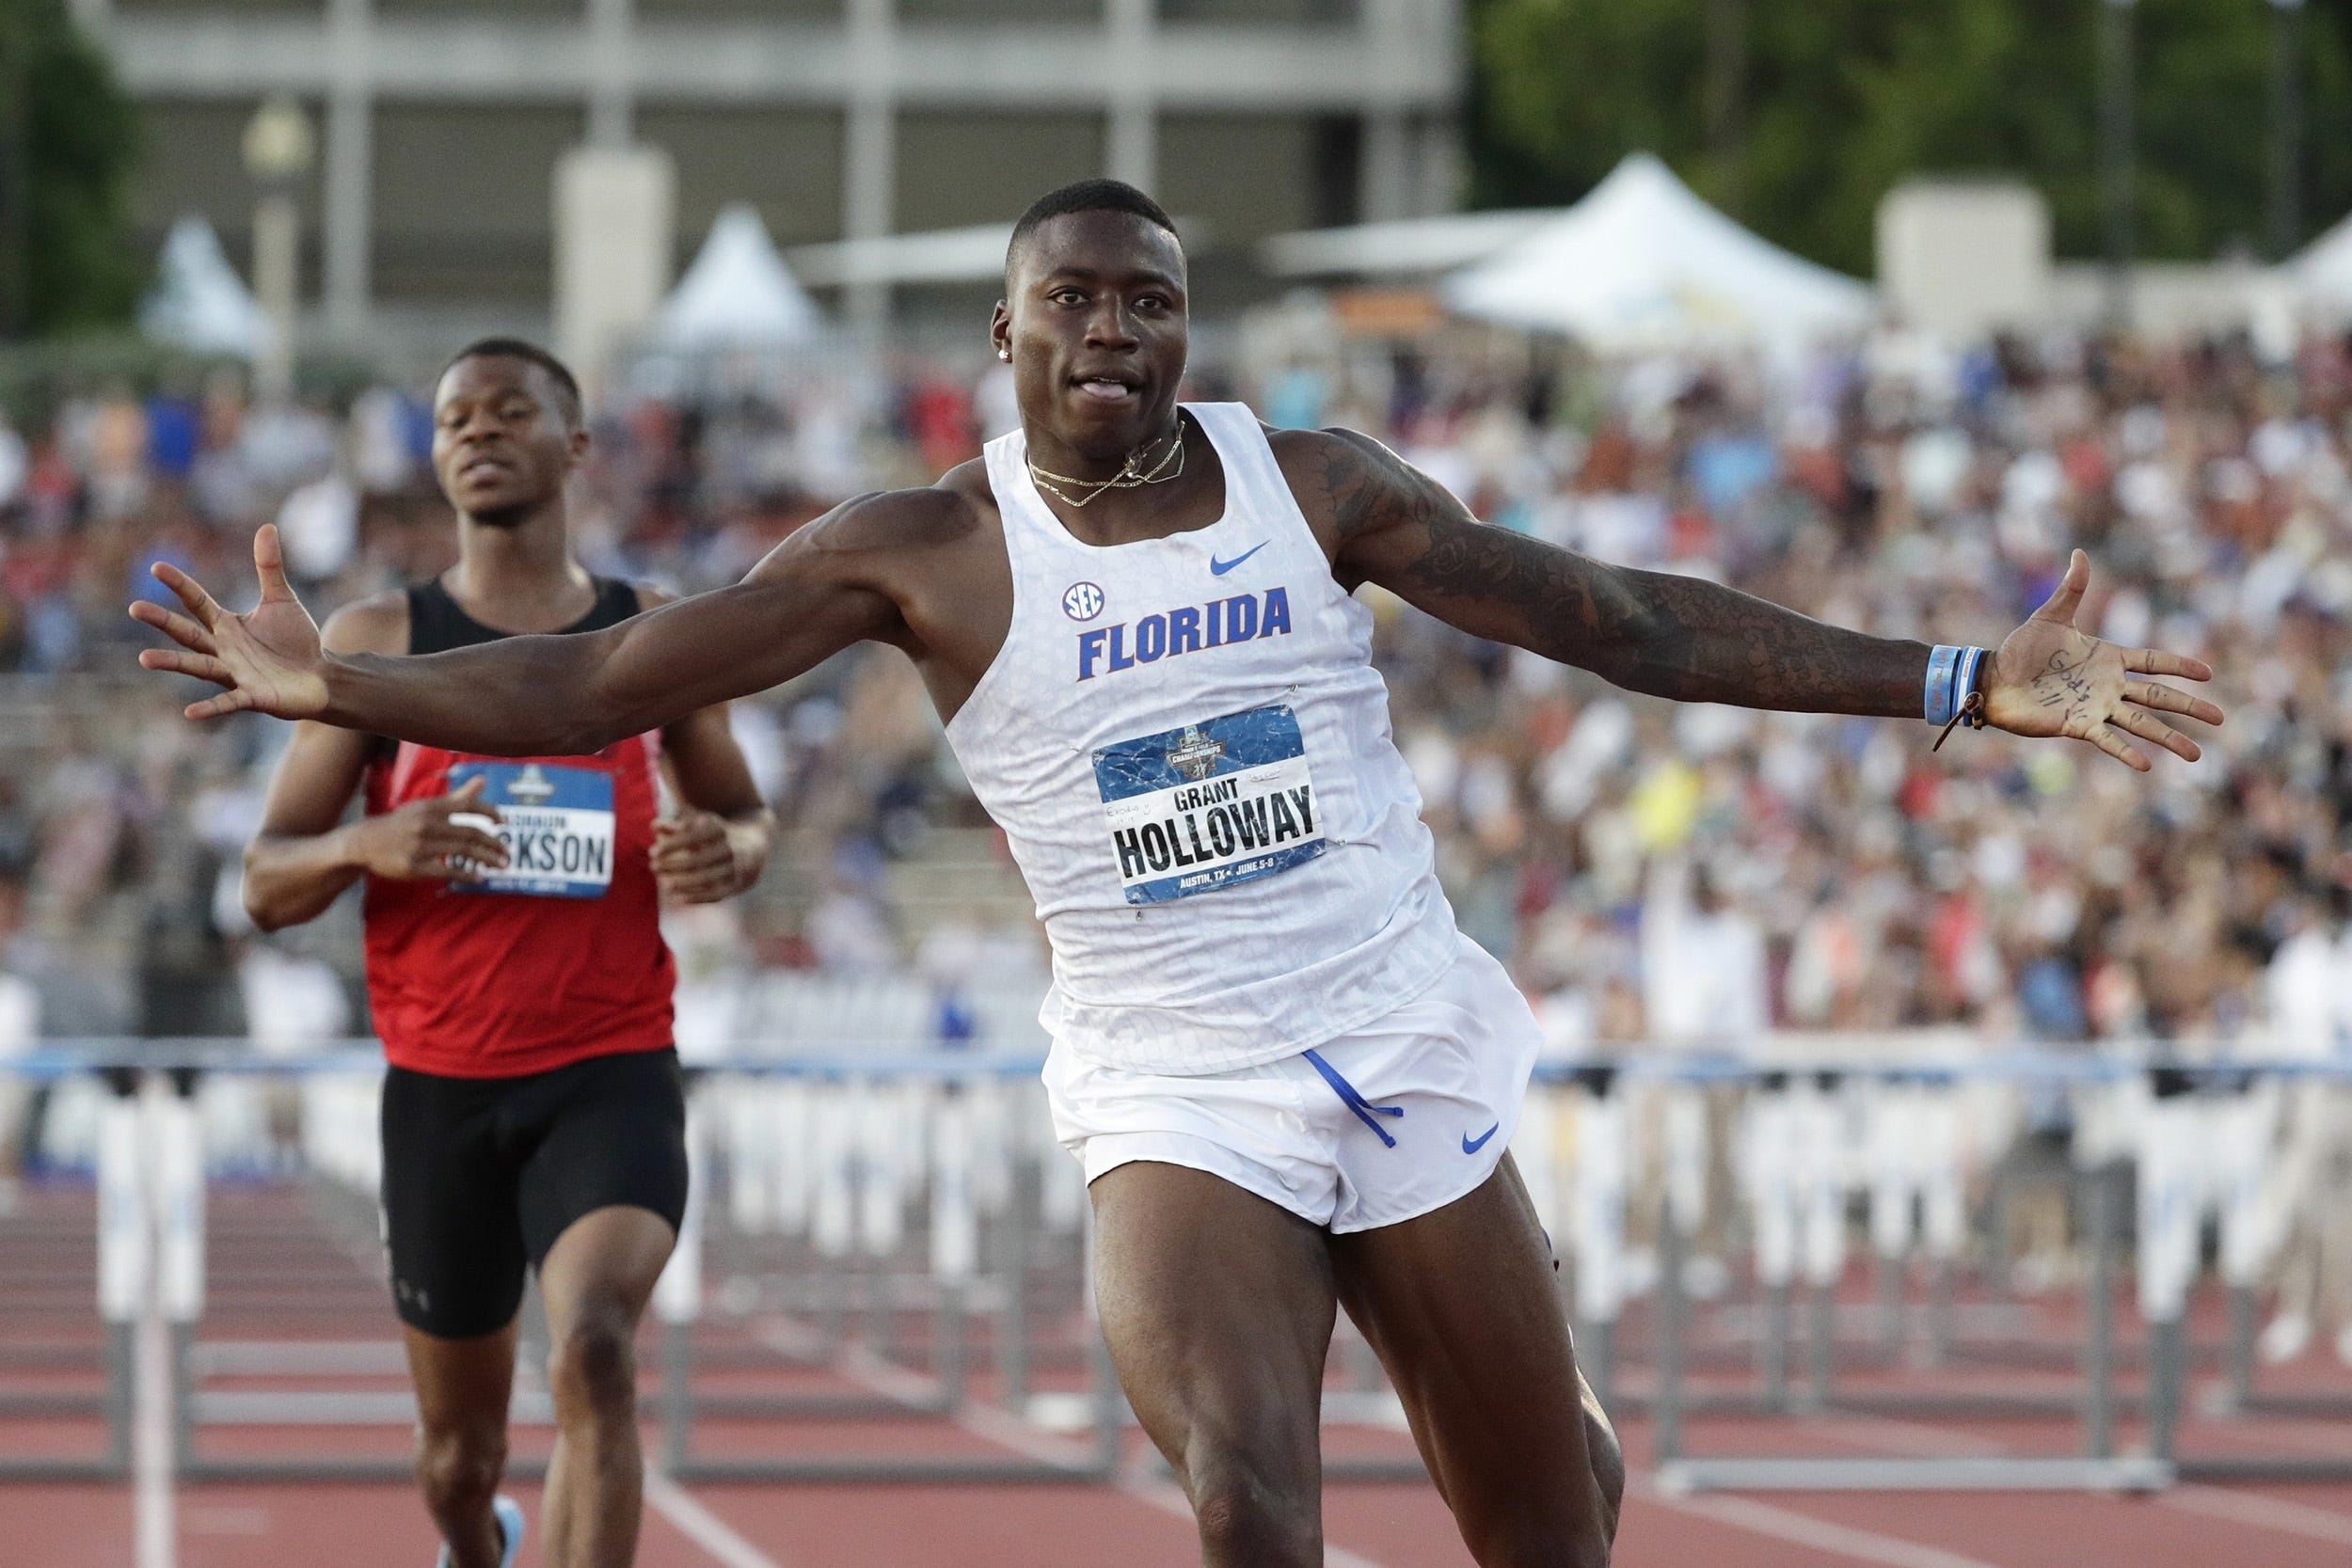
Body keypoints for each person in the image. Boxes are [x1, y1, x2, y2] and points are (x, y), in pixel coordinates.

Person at [134, 182, 2223, 1568]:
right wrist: (344, 673)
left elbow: (1615, 617)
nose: (1113, 332)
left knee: (1549, 1534)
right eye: (1074, 303)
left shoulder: (1309, 486)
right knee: (1245, 1497)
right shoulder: (918, 551)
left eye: (1150, 302)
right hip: (1170, 1081)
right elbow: (601, 667)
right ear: (1005, 334)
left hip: (1391, 1031)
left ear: (1185, 332)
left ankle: (1548, 1412)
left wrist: (1957, 674)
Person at [230, 341, 771, 1568]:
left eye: (509, 411)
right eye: (452, 419)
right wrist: (376, 840)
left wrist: (733, 849)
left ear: (576, 448)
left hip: (609, 1069)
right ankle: (476, 1546)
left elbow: (747, 816)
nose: (476, 432)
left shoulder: (652, 637)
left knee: (595, 1353)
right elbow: (263, 882)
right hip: (441, 1091)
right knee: (457, 1460)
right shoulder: (383, 636)